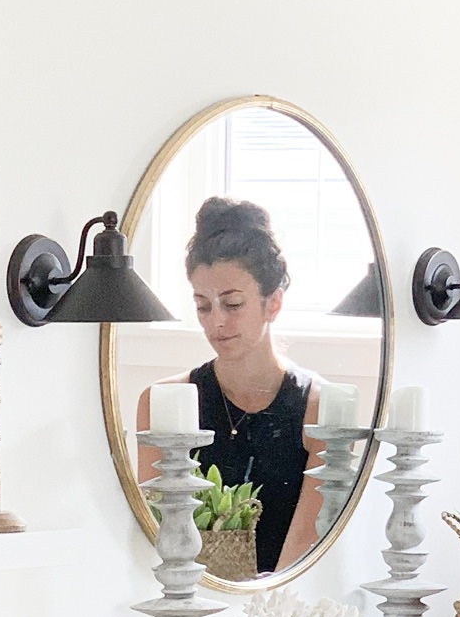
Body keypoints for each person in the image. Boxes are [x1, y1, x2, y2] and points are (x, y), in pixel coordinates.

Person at [137, 196, 324, 575]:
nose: (216, 322)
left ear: (273, 304)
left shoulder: (318, 406)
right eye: (203, 306)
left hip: (284, 611)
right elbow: (155, 533)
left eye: (233, 304)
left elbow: (310, 538)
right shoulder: (162, 402)